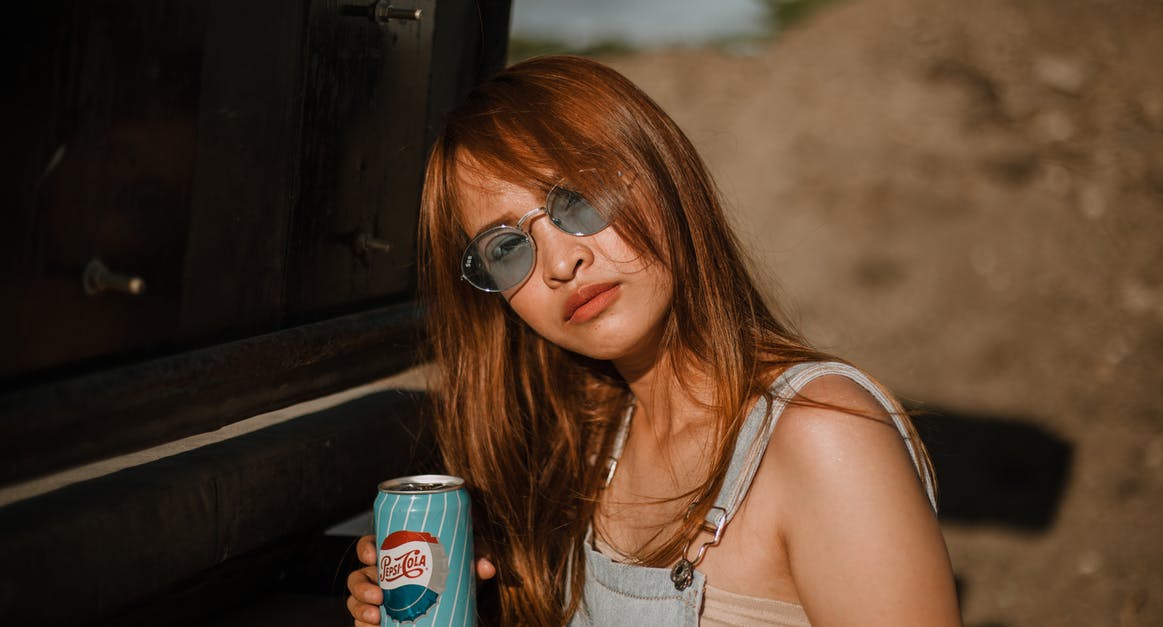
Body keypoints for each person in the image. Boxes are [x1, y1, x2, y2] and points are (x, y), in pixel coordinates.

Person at [346, 55, 961, 626]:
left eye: (579, 200)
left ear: (662, 171)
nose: (561, 262)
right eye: (506, 248)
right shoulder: (586, 446)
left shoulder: (823, 435)